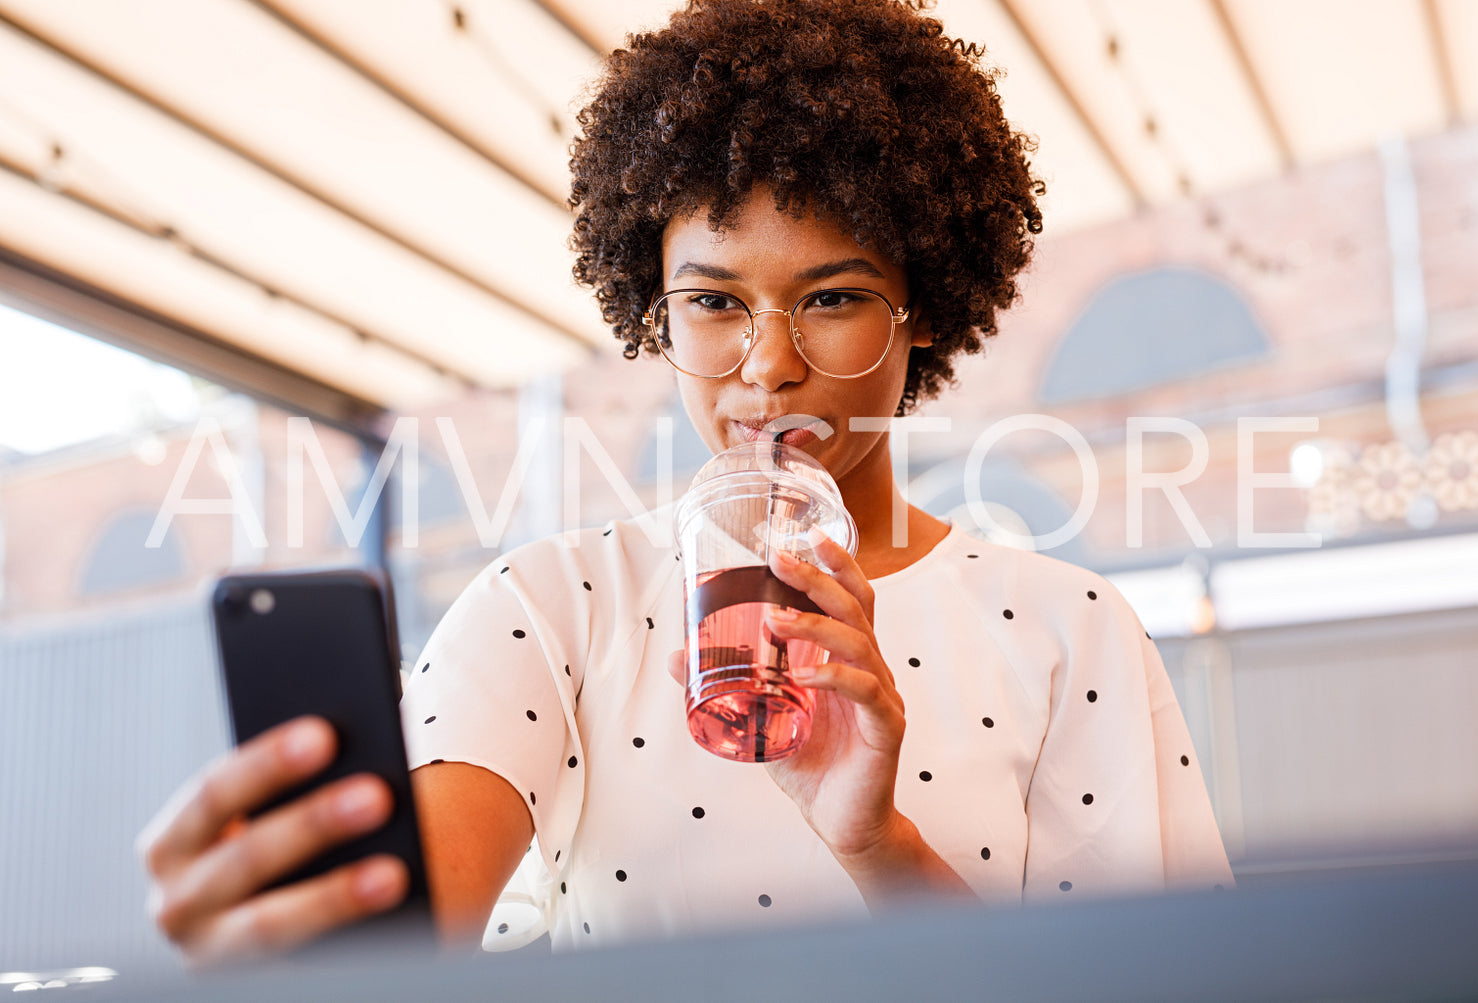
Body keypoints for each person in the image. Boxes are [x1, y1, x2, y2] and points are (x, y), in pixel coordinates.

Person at [137, 0, 1233, 965]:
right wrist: (294, 928)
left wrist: (876, 845)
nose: (767, 365)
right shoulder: (553, 607)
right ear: (650, 309)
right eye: (712, 303)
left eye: (831, 297)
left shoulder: (1064, 630)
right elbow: (400, 929)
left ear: (927, 307)